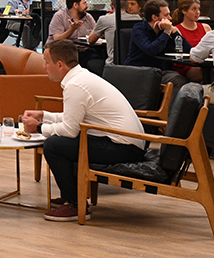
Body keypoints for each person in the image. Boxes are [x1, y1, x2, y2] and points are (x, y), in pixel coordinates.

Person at [22, 39, 146, 222]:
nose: (44, 67)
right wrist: (44, 115)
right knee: (60, 142)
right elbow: (73, 119)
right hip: (126, 142)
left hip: (123, 147)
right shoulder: (81, 77)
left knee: (54, 145)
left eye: (46, 63)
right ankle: (72, 195)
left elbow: (69, 130)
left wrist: (38, 128)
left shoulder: (75, 86)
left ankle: (76, 204)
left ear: (59, 64)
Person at [122, 0, 187, 91]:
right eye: (166, 15)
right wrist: (166, 32)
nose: (170, 18)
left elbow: (187, 50)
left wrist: (175, 33)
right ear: (155, 17)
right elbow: (151, 50)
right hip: (139, 71)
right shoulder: (139, 29)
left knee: (183, 78)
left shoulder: (165, 30)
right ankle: (168, 106)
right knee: (178, 80)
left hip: (158, 71)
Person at [171, 0, 209, 82]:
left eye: (199, 9)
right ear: (184, 11)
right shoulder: (177, 29)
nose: (198, 12)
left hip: (205, 62)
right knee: (205, 72)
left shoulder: (206, 27)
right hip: (188, 65)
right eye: (194, 9)